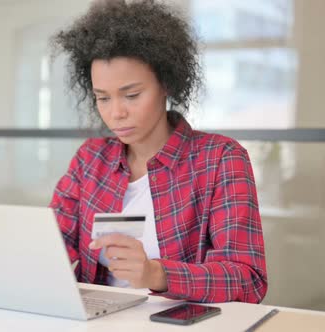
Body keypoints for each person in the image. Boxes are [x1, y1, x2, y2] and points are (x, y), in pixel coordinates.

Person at [49, 0, 267, 303]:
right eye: (103, 98)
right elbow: (50, 244)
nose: (116, 113)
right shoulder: (91, 159)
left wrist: (156, 274)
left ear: (166, 83)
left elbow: (248, 279)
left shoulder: (220, 159)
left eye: (132, 95)